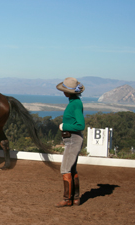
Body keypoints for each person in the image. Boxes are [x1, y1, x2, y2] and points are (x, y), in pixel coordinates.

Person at [55, 77, 85, 207]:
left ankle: (67, 199)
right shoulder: (74, 102)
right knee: (72, 169)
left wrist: (64, 126)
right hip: (72, 140)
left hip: (73, 140)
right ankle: (76, 198)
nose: (63, 92)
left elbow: (80, 125)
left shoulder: (75, 104)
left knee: (65, 168)